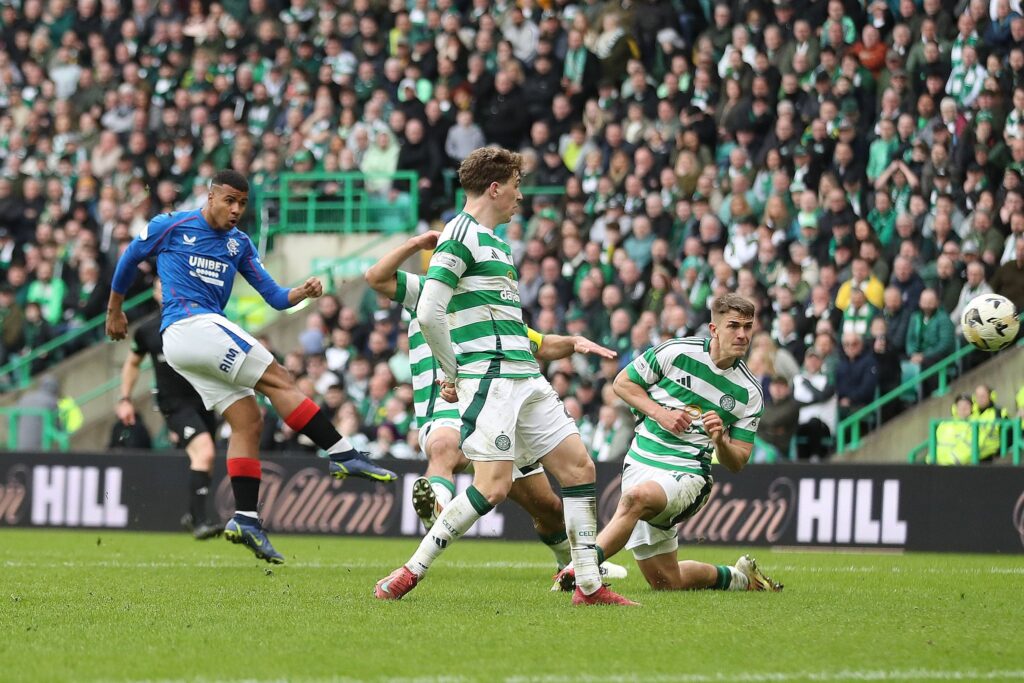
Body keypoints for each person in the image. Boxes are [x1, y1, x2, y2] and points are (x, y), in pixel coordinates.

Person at [374, 148, 635, 606]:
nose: (520, 195)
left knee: (580, 468)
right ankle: (409, 572)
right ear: (495, 188)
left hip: (525, 377)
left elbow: (515, 329)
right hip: (491, 380)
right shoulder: (459, 233)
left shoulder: (496, 243)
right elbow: (430, 310)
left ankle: (589, 587)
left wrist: (566, 342)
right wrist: (453, 372)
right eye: (516, 185)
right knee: (492, 487)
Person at [106, 170, 397, 565]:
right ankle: (342, 452)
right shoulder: (171, 225)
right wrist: (115, 309)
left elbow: (275, 297)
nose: (236, 210)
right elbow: (130, 257)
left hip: (191, 342)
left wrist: (301, 292)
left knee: (248, 421)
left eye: (242, 203)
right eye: (229, 200)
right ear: (210, 197)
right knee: (281, 378)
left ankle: (245, 518)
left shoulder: (238, 244)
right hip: (190, 325)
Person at [552, 294, 782, 593]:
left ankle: (580, 568)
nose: (742, 334)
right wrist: (661, 413)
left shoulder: (749, 392)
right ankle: (740, 579)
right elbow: (622, 383)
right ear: (714, 329)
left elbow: (738, 461)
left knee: (635, 499)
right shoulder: (675, 352)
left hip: (688, 473)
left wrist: (720, 441)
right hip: (641, 460)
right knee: (667, 582)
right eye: (733, 326)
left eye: (748, 327)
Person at [116, 276, 221, 540]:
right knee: (205, 452)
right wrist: (125, 399)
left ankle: (193, 515)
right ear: (154, 294)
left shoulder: (198, 323)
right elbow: (132, 363)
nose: (166, 291)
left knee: (206, 460)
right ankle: (200, 522)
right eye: (160, 287)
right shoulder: (148, 330)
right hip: (173, 403)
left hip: (203, 399)